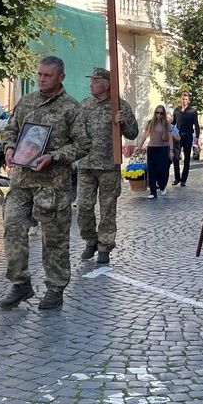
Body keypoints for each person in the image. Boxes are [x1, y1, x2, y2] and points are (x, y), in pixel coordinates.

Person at [0, 56, 90, 311]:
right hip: (21, 180)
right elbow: (11, 130)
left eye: (47, 75)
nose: (41, 79)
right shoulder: (26, 102)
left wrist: (55, 156)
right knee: (12, 228)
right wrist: (9, 148)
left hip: (52, 184)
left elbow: (83, 144)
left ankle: (55, 288)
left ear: (61, 77)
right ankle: (20, 283)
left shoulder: (72, 109)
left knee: (54, 239)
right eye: (39, 74)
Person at [76, 68, 138, 265]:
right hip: (86, 164)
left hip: (109, 166)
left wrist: (123, 123)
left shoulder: (120, 106)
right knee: (83, 208)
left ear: (107, 84)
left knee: (107, 210)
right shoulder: (85, 104)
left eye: (95, 80)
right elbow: (75, 130)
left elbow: (133, 133)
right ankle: (90, 240)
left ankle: (104, 246)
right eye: (91, 80)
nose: (91, 84)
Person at [137, 105, 174, 200]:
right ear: (155, 113)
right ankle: (153, 192)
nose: (159, 115)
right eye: (157, 112)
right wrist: (139, 147)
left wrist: (171, 150)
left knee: (161, 169)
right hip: (152, 148)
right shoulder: (150, 122)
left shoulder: (166, 123)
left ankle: (162, 186)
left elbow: (170, 138)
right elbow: (145, 135)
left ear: (164, 114)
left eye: (161, 113)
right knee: (151, 170)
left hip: (163, 148)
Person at [170, 92, 201, 186]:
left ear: (188, 100)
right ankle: (177, 178)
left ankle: (183, 180)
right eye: (183, 99)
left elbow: (196, 124)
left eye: (186, 99)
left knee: (187, 158)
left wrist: (197, 137)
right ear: (181, 99)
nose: (184, 101)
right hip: (178, 136)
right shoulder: (176, 110)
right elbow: (173, 123)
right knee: (176, 157)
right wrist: (169, 130)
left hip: (188, 136)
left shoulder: (192, 111)